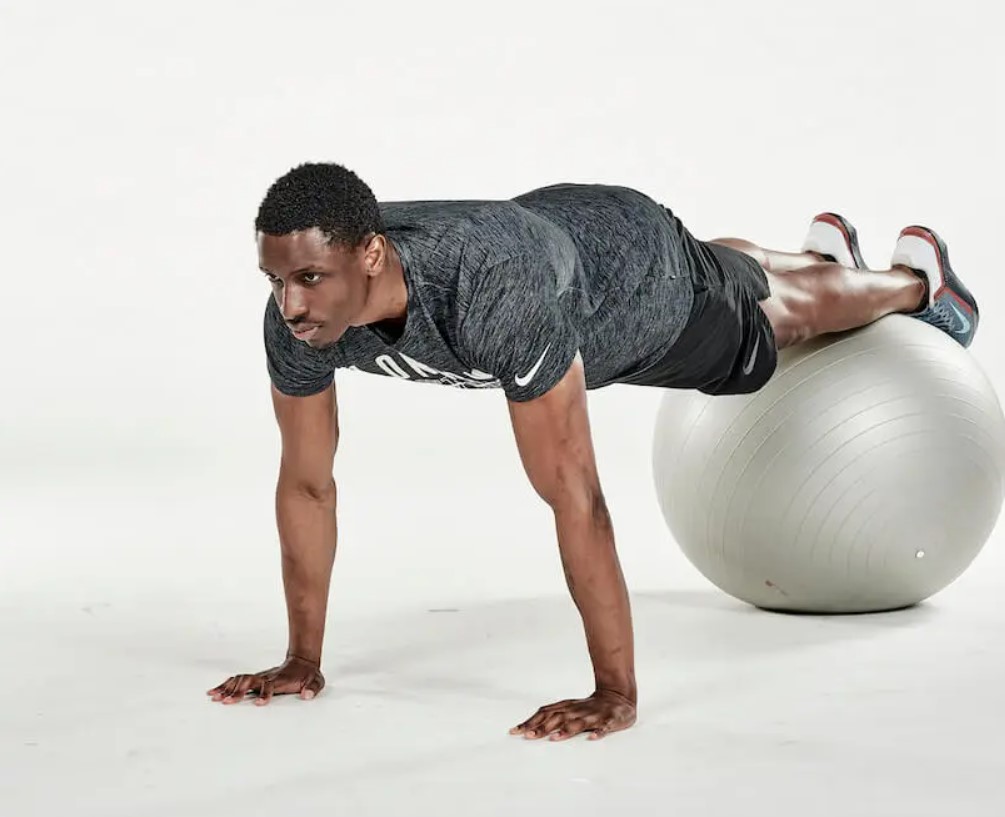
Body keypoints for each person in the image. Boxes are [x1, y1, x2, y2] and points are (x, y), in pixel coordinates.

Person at [207, 162, 979, 741]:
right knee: (723, 269)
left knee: (773, 323)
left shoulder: (488, 295)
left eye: (309, 278)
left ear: (370, 255)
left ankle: (916, 284)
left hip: (630, 286)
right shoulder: (299, 317)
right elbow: (308, 487)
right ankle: (819, 254)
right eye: (276, 279)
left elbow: (574, 493)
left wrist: (615, 693)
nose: (291, 305)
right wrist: (300, 660)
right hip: (567, 232)